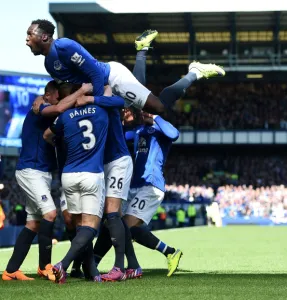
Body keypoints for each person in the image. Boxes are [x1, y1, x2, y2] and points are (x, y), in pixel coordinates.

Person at [26, 20, 225, 116]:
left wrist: (98, 104)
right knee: (141, 96)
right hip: (106, 88)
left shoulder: (65, 46)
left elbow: (94, 73)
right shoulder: (49, 64)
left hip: (112, 77)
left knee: (157, 108)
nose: (27, 40)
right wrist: (43, 99)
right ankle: (142, 48)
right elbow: (67, 88)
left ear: (44, 36)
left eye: (30, 34)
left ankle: (194, 72)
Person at [43, 83, 126, 284]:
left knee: (80, 226)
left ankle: (91, 271)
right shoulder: (101, 111)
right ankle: (62, 265)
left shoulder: (64, 116)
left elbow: (47, 135)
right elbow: (116, 99)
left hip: (69, 175)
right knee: (90, 227)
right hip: (91, 174)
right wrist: (104, 87)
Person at [2, 81, 60, 281]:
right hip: (30, 171)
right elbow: (60, 108)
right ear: (47, 96)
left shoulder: (49, 113)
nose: (59, 102)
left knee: (33, 224)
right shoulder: (39, 110)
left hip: (41, 172)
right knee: (50, 214)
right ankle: (45, 266)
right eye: (57, 97)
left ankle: (11, 270)